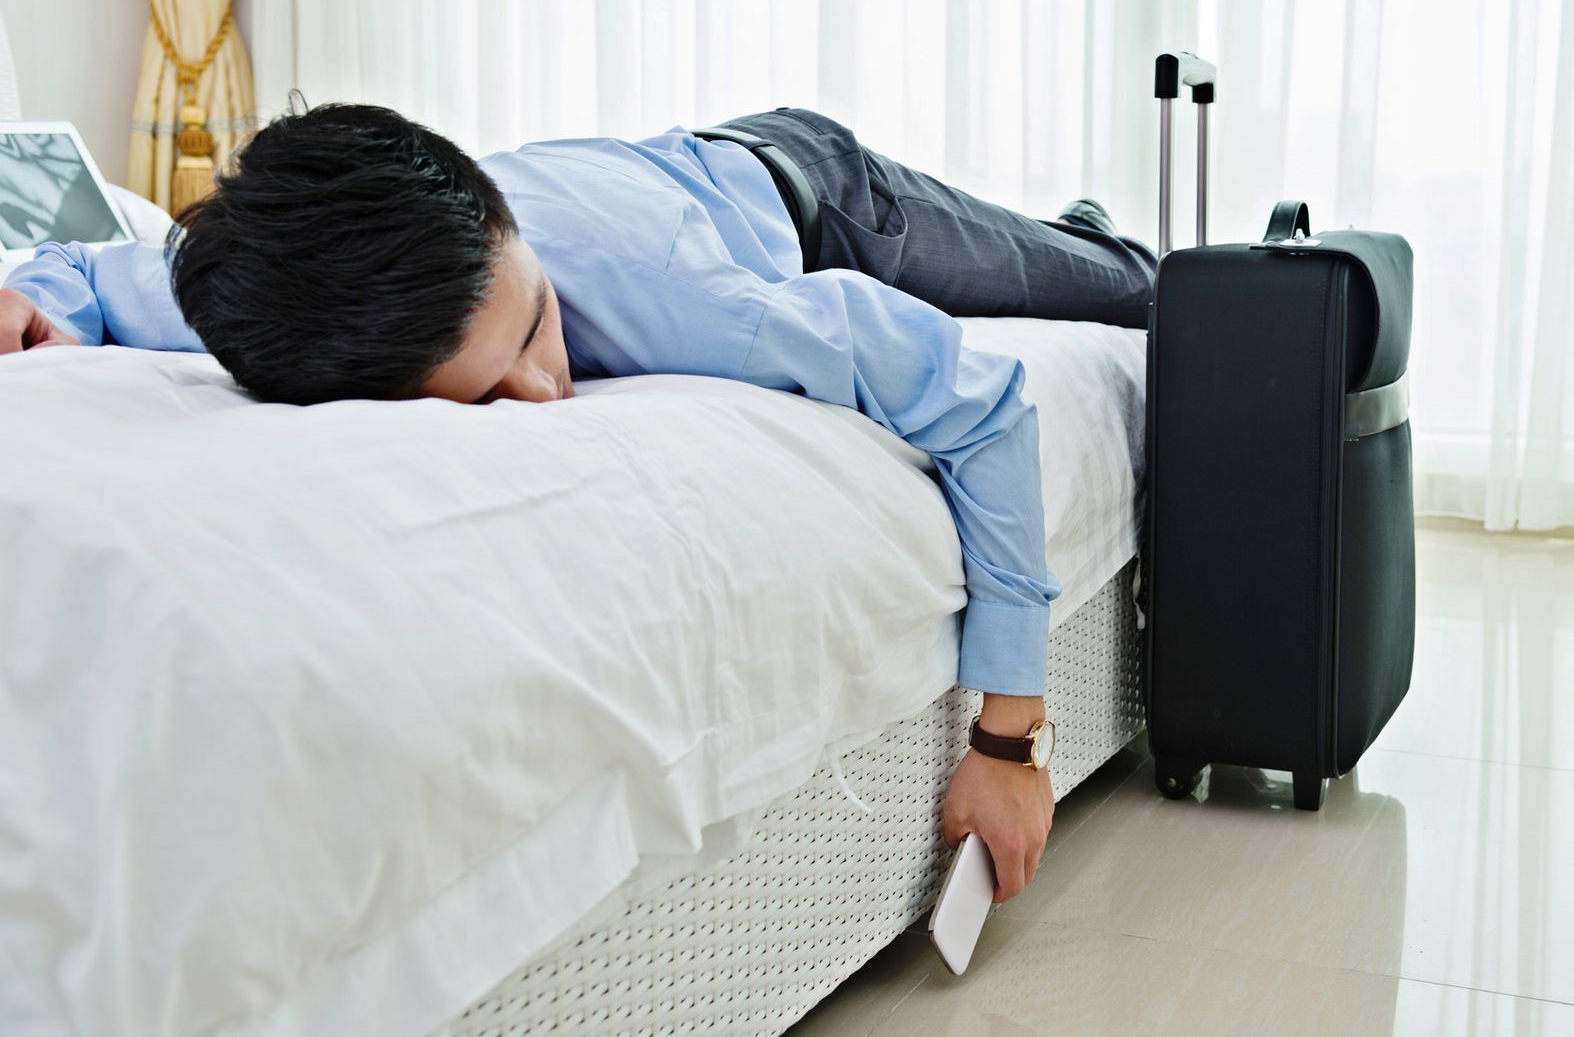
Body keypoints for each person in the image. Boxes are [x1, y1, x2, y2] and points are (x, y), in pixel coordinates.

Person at [0, 103, 1158, 905]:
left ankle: (1089, 230)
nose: (546, 391)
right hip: (637, 178)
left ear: (509, 239)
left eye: (536, 328)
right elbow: (110, 273)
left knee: (1134, 289)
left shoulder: (706, 308)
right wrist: (29, 295)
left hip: (815, 192)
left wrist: (1010, 738)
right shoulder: (291, 306)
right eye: (488, 395)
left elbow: (989, 405)